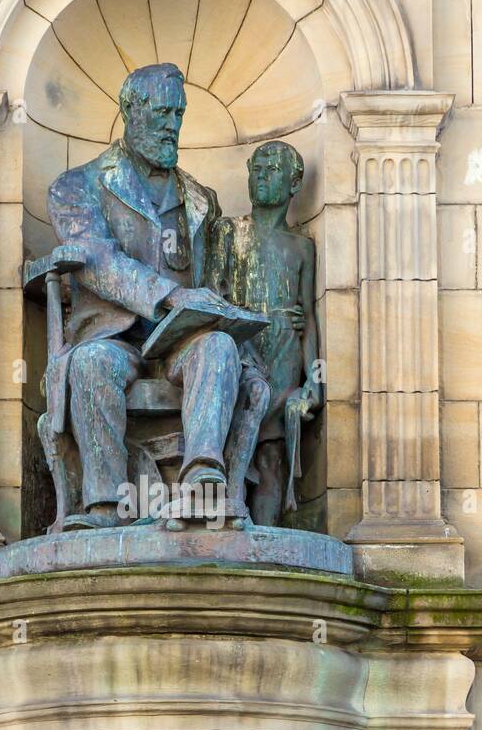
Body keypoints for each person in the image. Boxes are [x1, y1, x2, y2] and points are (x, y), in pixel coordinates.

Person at [45, 62, 267, 531]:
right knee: (89, 365)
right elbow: (96, 262)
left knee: (221, 347)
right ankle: (104, 507)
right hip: (113, 337)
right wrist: (169, 295)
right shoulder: (76, 186)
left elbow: (220, 277)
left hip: (180, 340)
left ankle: (202, 479)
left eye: (179, 114)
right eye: (163, 111)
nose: (173, 124)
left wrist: (220, 312)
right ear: (129, 110)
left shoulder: (200, 198)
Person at [206, 140, 323, 526]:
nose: (261, 178)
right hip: (240, 345)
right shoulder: (226, 231)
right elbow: (211, 295)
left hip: (284, 353)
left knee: (271, 453)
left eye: (272, 171)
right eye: (256, 169)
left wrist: (314, 384)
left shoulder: (302, 247)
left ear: (293, 184)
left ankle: (266, 536)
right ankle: (228, 524)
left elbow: (308, 316)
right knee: (233, 442)